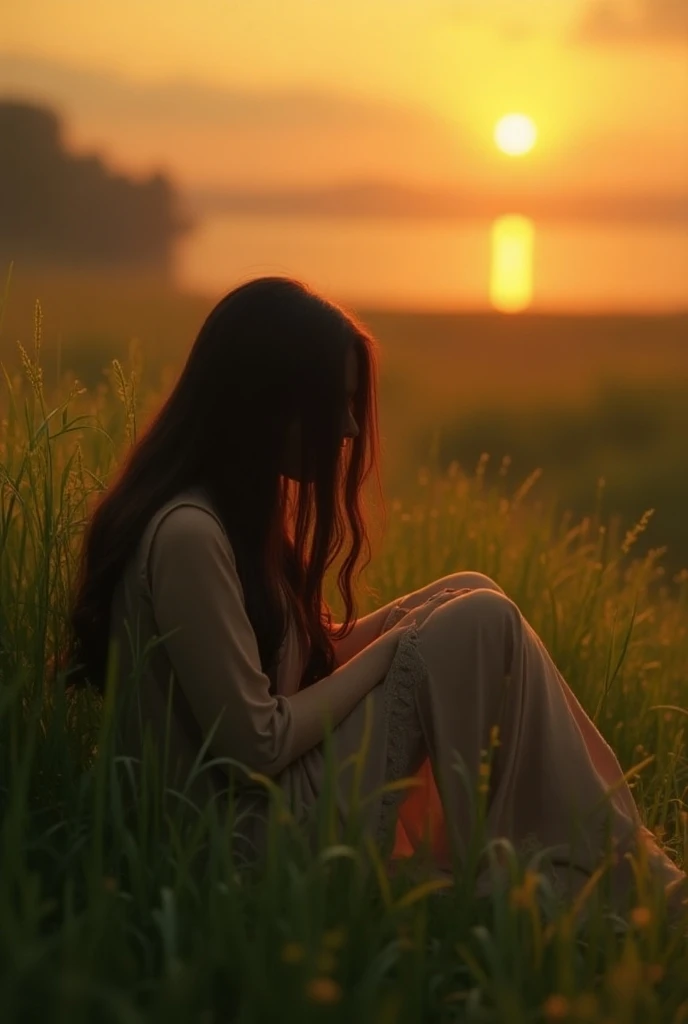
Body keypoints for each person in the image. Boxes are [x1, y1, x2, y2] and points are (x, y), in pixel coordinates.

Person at [67, 276, 686, 919]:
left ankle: (618, 865)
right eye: (333, 404)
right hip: (237, 840)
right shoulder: (188, 534)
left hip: (268, 801)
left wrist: (415, 623)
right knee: (478, 622)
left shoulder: (229, 513)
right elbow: (257, 743)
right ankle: (630, 884)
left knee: (473, 595)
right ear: (268, 400)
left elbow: (301, 663)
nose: (350, 427)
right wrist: (394, 649)